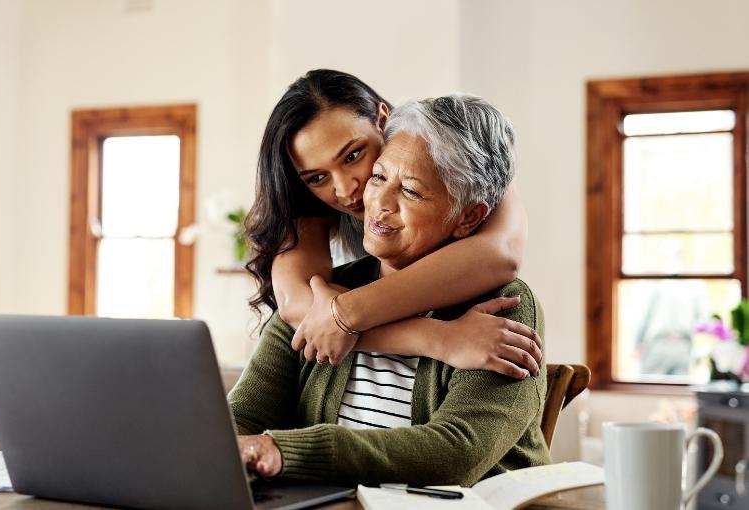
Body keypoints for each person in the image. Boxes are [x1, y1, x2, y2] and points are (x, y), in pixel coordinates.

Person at [230, 94, 550, 486]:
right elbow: (241, 417)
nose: (376, 202)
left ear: (469, 217)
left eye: (411, 191)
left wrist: (287, 451)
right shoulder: (325, 295)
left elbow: (455, 454)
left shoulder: (508, 306)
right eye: (379, 177)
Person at [245, 70, 541, 378]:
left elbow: (500, 254)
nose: (346, 190)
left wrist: (345, 313)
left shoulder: (459, 157)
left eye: (353, 156)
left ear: (382, 119)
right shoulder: (308, 207)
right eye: (318, 177)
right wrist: (437, 338)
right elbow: (299, 306)